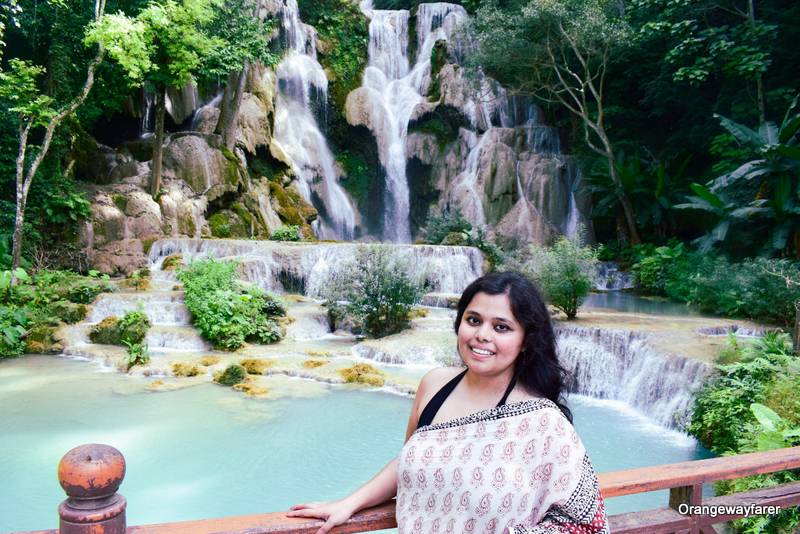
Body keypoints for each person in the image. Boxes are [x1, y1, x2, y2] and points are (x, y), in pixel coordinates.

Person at [288, 271, 608, 534]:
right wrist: (351, 502)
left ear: (525, 341)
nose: (482, 335)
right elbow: (413, 459)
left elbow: (587, 520)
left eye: (501, 327)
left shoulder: (543, 422)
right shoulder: (435, 384)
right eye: (473, 320)